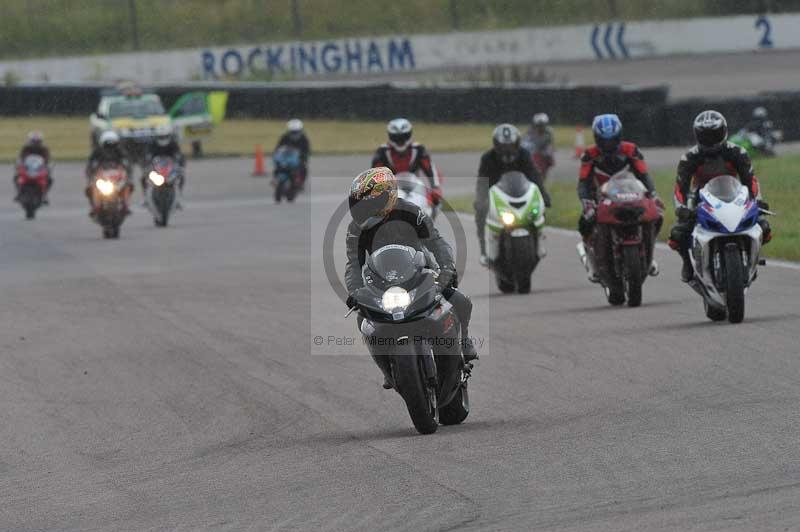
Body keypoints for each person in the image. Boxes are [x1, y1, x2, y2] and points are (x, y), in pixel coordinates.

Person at [345, 167, 477, 387]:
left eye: (367, 204)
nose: (362, 210)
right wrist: (355, 291)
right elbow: (354, 264)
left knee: (460, 300)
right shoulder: (355, 229)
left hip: (420, 271)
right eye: (358, 205)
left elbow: (436, 241)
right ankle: (388, 370)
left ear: (387, 197)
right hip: (381, 280)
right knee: (364, 320)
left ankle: (463, 342)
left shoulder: (411, 212)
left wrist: (446, 268)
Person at [669, 110, 771, 282]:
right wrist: (682, 209)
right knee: (678, 233)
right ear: (697, 135)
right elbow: (680, 187)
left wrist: (757, 200)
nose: (710, 140)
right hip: (701, 199)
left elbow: (750, 180)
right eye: (705, 136)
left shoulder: (738, 152)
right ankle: (687, 263)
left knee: (764, 227)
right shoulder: (690, 157)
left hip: (734, 196)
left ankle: (751, 260)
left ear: (723, 132)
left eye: (714, 135)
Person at [577, 114, 662, 280]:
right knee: (585, 222)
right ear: (596, 138)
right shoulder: (589, 154)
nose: (608, 145)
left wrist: (653, 194)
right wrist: (586, 202)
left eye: (612, 140)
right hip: (601, 197)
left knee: (657, 215)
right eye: (604, 140)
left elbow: (644, 174)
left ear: (619, 136)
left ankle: (649, 254)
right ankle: (591, 259)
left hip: (630, 194)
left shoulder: (631, 149)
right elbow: (583, 183)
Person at [475, 124, 551, 265]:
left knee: (539, 206)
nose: (507, 150)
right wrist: (481, 200)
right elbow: (481, 182)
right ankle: (485, 251)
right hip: (497, 196)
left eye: (510, 146)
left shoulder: (524, 154)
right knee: (480, 215)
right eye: (503, 146)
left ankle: (539, 239)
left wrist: (544, 195)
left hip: (520, 193)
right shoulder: (487, 158)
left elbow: (534, 175)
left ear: (517, 144)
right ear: (496, 145)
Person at [371, 118, 443, 205]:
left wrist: (435, 187)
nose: (400, 141)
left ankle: (427, 214)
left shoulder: (418, 149)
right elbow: (375, 174)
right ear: (390, 136)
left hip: (415, 185)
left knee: (436, 201)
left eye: (404, 137)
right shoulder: (382, 151)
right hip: (392, 187)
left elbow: (430, 168)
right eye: (396, 138)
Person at [85, 131, 133, 216]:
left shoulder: (120, 152)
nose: (110, 148)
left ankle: (125, 205)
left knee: (128, 185)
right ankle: (95, 206)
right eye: (107, 146)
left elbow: (127, 163)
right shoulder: (97, 152)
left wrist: (127, 172)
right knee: (90, 188)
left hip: (116, 178)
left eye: (112, 145)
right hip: (102, 177)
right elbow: (91, 164)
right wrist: (90, 172)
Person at [142, 128, 185, 206]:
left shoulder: (173, 144)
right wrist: (146, 164)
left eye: (164, 136)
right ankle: (145, 198)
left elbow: (179, 156)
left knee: (181, 177)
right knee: (144, 178)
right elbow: (147, 156)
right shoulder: (152, 144)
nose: (163, 139)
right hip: (157, 169)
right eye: (161, 136)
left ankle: (179, 199)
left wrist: (181, 164)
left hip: (170, 169)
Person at [15, 131, 53, 204]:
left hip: (39, 168)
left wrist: (47, 165)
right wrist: (20, 164)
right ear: (30, 141)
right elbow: (21, 157)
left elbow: (47, 158)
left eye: (37, 141)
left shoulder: (44, 149)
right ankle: (19, 193)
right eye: (34, 141)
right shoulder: (26, 148)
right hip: (28, 168)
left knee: (49, 179)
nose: (36, 143)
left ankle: (44, 195)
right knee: (16, 177)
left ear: (41, 141)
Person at [275, 119, 310, 186]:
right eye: (292, 132)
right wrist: (277, 153)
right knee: (278, 165)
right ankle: (276, 178)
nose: (294, 134)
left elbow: (307, 150)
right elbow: (278, 147)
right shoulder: (285, 137)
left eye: (296, 132)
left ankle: (301, 182)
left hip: (298, 158)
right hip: (286, 157)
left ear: (300, 130)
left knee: (304, 168)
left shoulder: (304, 139)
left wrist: (304, 156)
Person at [522, 113, 555, 180]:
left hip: (543, 152)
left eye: (542, 125)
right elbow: (525, 142)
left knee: (548, 157)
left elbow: (549, 144)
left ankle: (543, 177)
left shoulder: (549, 132)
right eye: (539, 125)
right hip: (534, 152)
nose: (540, 127)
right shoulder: (530, 131)